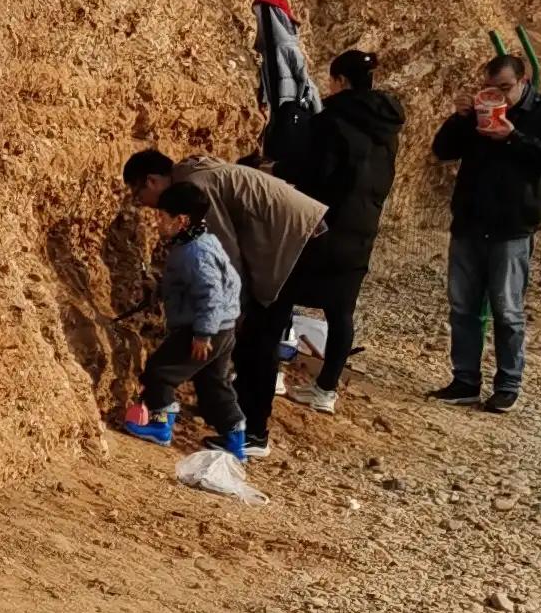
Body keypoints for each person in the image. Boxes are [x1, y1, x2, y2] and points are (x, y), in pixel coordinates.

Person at [122, 145, 324, 457]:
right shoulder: (193, 181)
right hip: (301, 231)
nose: (143, 205)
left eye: (139, 194)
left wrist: (225, 317)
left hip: (298, 238)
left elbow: (223, 259)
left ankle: (253, 433)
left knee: (261, 337)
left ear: (151, 181)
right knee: (223, 365)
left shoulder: (198, 190)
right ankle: (235, 428)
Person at [431, 53, 541, 410]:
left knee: (507, 310)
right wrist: (460, 118)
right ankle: (464, 380)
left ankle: (508, 384)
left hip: (512, 227)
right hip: (470, 223)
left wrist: (512, 137)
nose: (498, 96)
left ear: (524, 82)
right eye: (490, 88)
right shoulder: (478, 111)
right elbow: (443, 150)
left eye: (505, 89)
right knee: (462, 307)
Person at [282, 48, 404, 409]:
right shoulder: (388, 127)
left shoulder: (330, 121)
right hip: (363, 226)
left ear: (341, 82)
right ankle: (326, 391)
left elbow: (315, 173)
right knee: (341, 312)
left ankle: (270, 372)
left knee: (282, 293)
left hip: (323, 224)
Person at [116, 182, 245, 457]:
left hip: (203, 330)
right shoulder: (205, 242)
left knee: (161, 371)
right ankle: (235, 439)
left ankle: (160, 425)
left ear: (181, 220)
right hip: (225, 329)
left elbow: (211, 294)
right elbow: (224, 283)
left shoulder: (194, 254)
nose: (158, 221)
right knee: (213, 382)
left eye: (162, 216)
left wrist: (202, 334)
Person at [252, 0, 319, 134]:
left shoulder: (289, 49)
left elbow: (306, 85)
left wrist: (298, 110)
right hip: (276, 119)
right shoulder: (265, 53)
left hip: (290, 120)